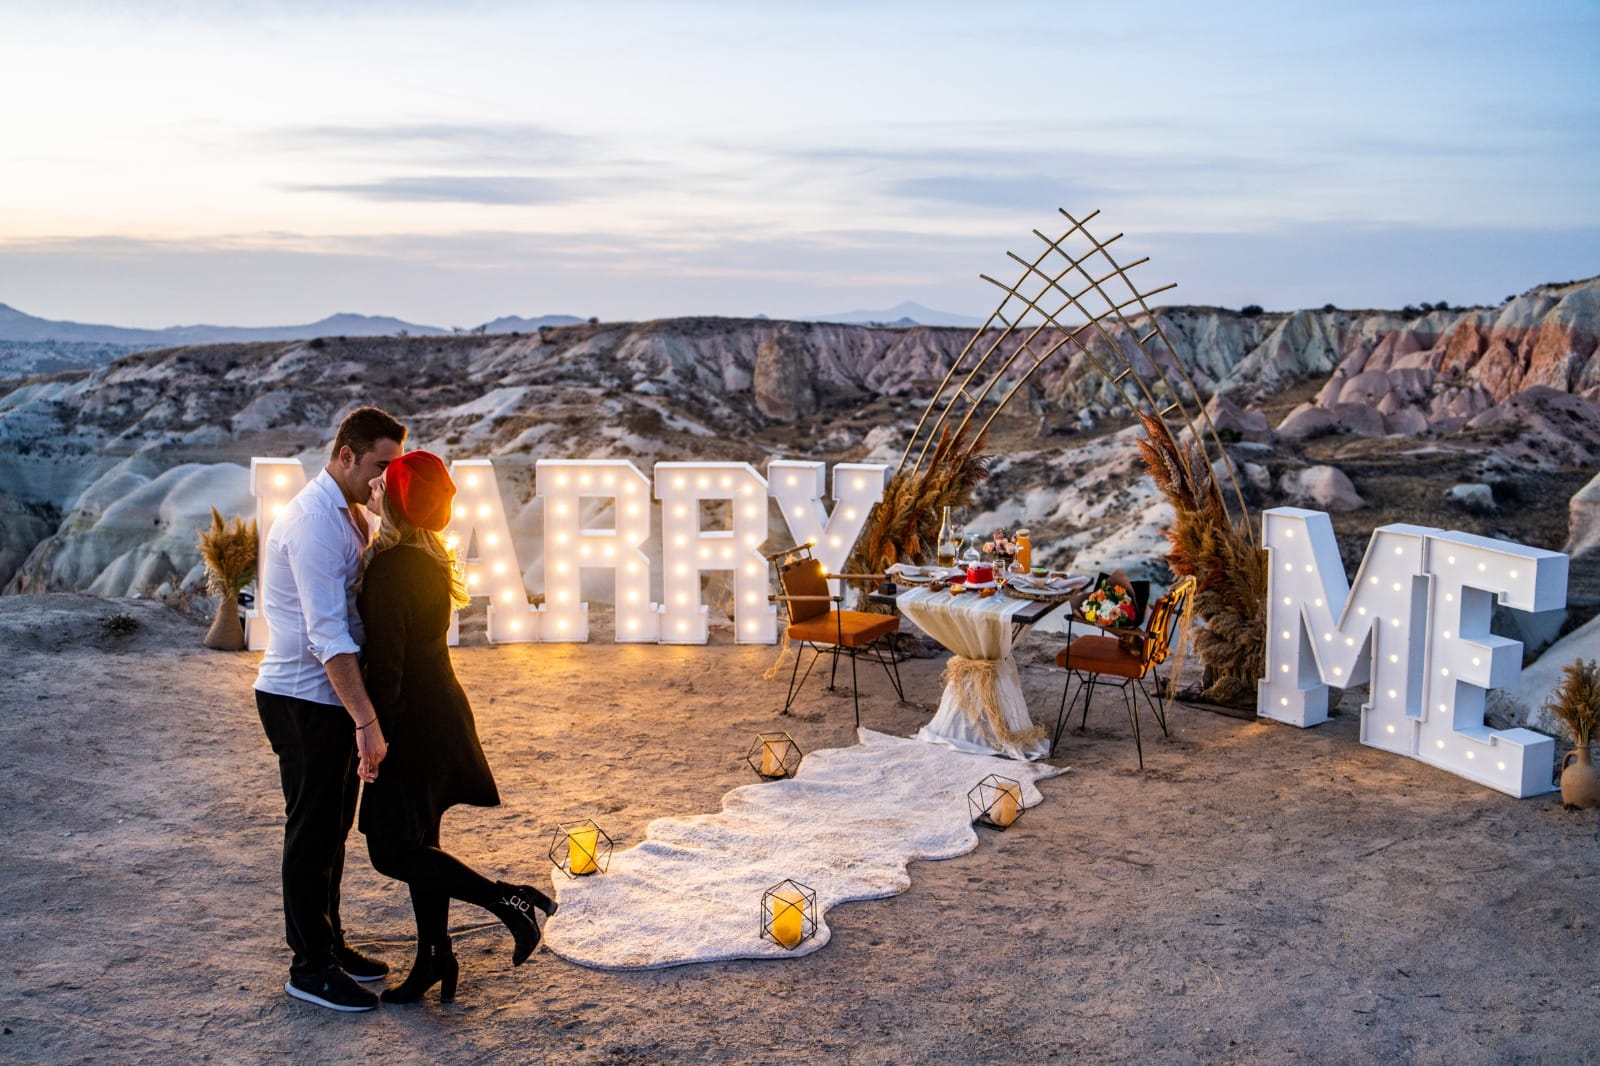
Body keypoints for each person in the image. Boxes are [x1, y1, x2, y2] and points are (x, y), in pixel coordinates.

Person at [356, 449, 555, 1005]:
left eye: (383, 487)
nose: (373, 489)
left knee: (389, 851)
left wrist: (373, 736)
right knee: (423, 846)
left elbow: (389, 671)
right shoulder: (430, 558)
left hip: (410, 725)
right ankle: (434, 959)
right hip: (440, 716)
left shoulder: (391, 569)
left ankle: (508, 900)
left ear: (394, 502)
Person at [253, 405, 406, 1013]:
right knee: (311, 832)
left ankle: (332, 944)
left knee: (333, 829)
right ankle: (308, 966)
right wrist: (366, 722)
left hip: (327, 699)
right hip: (300, 698)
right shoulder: (315, 523)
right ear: (346, 455)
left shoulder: (351, 513)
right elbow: (328, 637)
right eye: (379, 466)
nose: (385, 481)